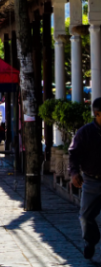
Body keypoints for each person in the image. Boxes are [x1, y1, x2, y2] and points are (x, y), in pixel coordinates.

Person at [69, 97, 101, 258]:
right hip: (92, 180)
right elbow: (74, 155)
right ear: (97, 114)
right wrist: (74, 173)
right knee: (86, 216)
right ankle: (91, 241)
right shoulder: (85, 132)